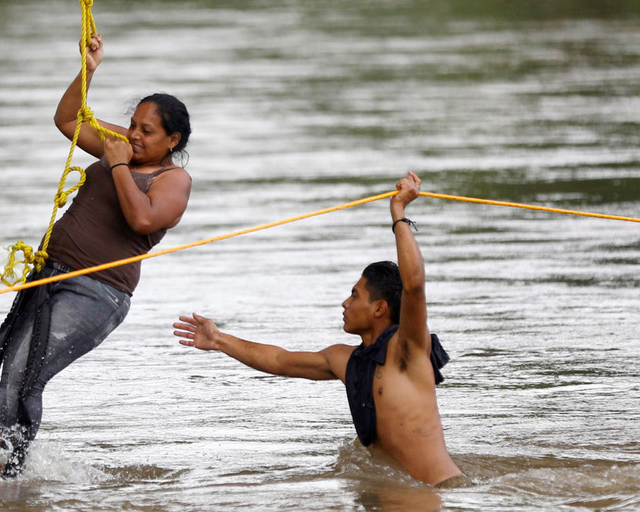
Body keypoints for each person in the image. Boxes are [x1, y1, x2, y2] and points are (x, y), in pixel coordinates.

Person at [0, 33, 193, 479]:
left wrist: (117, 164)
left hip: (98, 294)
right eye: (131, 124)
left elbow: (142, 220)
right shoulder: (124, 145)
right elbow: (66, 119)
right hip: (50, 275)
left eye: (146, 131)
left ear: (172, 140)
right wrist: (89, 68)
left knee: (24, 374)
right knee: (9, 370)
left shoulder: (172, 181)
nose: (133, 134)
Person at [173, 172, 465, 487]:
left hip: (439, 492)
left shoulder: (407, 349)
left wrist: (399, 213)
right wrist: (219, 340)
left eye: (354, 295)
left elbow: (415, 285)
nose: (344, 303)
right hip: (395, 491)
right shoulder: (343, 360)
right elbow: (280, 361)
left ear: (379, 308)